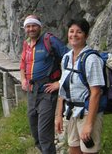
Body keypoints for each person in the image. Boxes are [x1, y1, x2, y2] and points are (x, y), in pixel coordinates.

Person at [20, 14, 69, 154]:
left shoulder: (49, 40)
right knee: (35, 135)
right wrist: (23, 79)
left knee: (44, 136)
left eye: (34, 25)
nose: (31, 29)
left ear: (39, 27)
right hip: (31, 93)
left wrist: (59, 83)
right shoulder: (26, 44)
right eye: (28, 26)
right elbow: (23, 64)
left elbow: (70, 59)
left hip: (47, 93)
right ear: (25, 29)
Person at [55, 18, 105, 154]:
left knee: (89, 151)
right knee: (74, 149)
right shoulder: (66, 58)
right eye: (71, 31)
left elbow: (96, 92)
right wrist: (59, 115)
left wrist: (89, 125)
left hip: (87, 113)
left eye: (79, 32)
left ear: (86, 35)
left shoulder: (91, 59)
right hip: (71, 112)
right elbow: (63, 89)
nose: (74, 35)